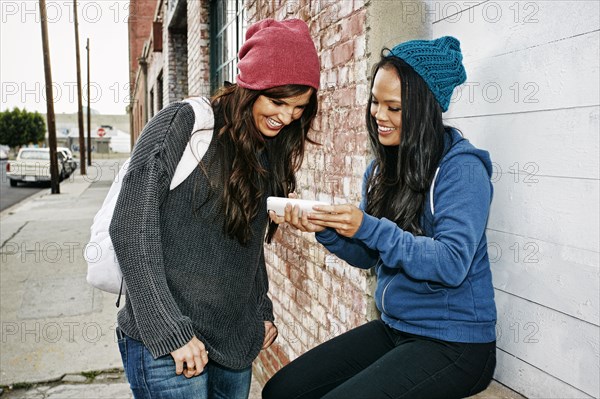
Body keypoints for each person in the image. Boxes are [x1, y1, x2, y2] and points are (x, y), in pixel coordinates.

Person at [263, 36, 497, 399]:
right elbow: (370, 255)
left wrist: (368, 226)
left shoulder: (462, 171)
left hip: (456, 345)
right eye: (375, 102)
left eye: (394, 107)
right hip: (396, 329)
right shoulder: (380, 170)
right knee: (282, 391)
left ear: (423, 110)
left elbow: (452, 263)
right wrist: (327, 229)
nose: (378, 115)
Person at [109, 18, 320, 399]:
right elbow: (129, 227)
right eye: (277, 101)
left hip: (235, 347)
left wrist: (262, 308)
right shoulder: (184, 123)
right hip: (167, 347)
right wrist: (171, 331)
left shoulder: (268, 148)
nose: (288, 117)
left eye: (298, 108)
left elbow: (247, 243)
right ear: (250, 86)